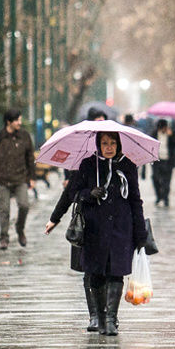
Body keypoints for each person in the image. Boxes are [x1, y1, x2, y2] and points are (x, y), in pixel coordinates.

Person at [45, 132, 146, 336]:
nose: (109, 147)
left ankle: (110, 320)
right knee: (97, 274)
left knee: (116, 272)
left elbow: (135, 200)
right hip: (95, 228)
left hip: (120, 228)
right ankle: (100, 316)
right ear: (98, 145)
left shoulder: (128, 166)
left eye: (113, 143)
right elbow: (71, 193)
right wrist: (84, 197)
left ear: (119, 144)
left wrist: (140, 232)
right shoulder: (89, 165)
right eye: (104, 143)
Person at [0, 108, 36, 249]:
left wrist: (32, 177)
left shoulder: (24, 136)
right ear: (9, 122)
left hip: (20, 178)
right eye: (17, 120)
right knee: (4, 209)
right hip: (3, 179)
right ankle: (4, 237)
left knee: (24, 205)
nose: (20, 122)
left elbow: (30, 157)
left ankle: (20, 229)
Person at [150, 119, 175, 207]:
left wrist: (171, 135)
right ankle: (159, 196)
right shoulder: (153, 134)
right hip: (157, 161)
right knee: (155, 178)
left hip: (168, 161)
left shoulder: (171, 133)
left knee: (167, 181)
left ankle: (166, 198)